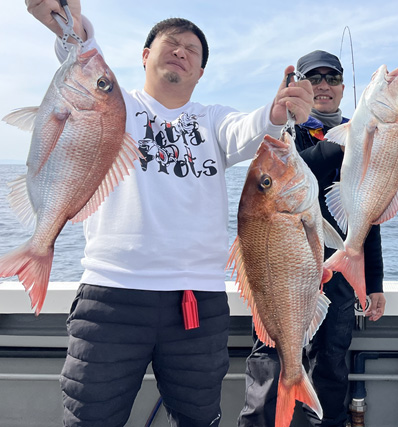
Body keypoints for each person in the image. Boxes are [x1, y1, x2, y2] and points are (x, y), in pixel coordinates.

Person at [24, 1, 314, 426]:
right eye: (171, 43)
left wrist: (277, 112)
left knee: (199, 419)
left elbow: (252, 130)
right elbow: (83, 61)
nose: (181, 51)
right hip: (111, 293)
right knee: (89, 419)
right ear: (145, 56)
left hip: (196, 303)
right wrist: (68, 24)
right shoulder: (114, 106)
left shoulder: (213, 120)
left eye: (192, 50)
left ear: (200, 73)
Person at [237, 50, 386, 427]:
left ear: (342, 87)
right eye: (313, 78)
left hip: (339, 274)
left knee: (331, 363)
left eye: (331, 78)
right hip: (282, 272)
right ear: (299, 86)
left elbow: (368, 215)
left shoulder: (360, 133)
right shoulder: (284, 133)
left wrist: (374, 282)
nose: (323, 85)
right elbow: (281, 180)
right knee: (271, 359)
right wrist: (342, 143)